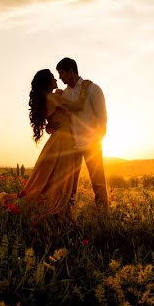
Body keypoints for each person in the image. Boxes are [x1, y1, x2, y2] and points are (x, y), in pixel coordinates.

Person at [19, 69, 91, 216]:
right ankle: (57, 210)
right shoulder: (53, 98)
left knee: (51, 178)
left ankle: (55, 209)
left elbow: (50, 128)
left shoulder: (48, 98)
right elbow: (78, 106)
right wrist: (84, 88)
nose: (57, 80)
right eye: (53, 77)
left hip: (57, 140)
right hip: (65, 142)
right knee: (61, 178)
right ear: (47, 81)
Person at [56, 57, 108, 209]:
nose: (60, 77)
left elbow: (102, 117)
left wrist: (98, 140)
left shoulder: (93, 89)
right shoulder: (64, 94)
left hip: (92, 145)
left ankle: (103, 217)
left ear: (71, 71)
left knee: (98, 184)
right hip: (72, 146)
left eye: (62, 73)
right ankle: (68, 216)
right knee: (70, 186)